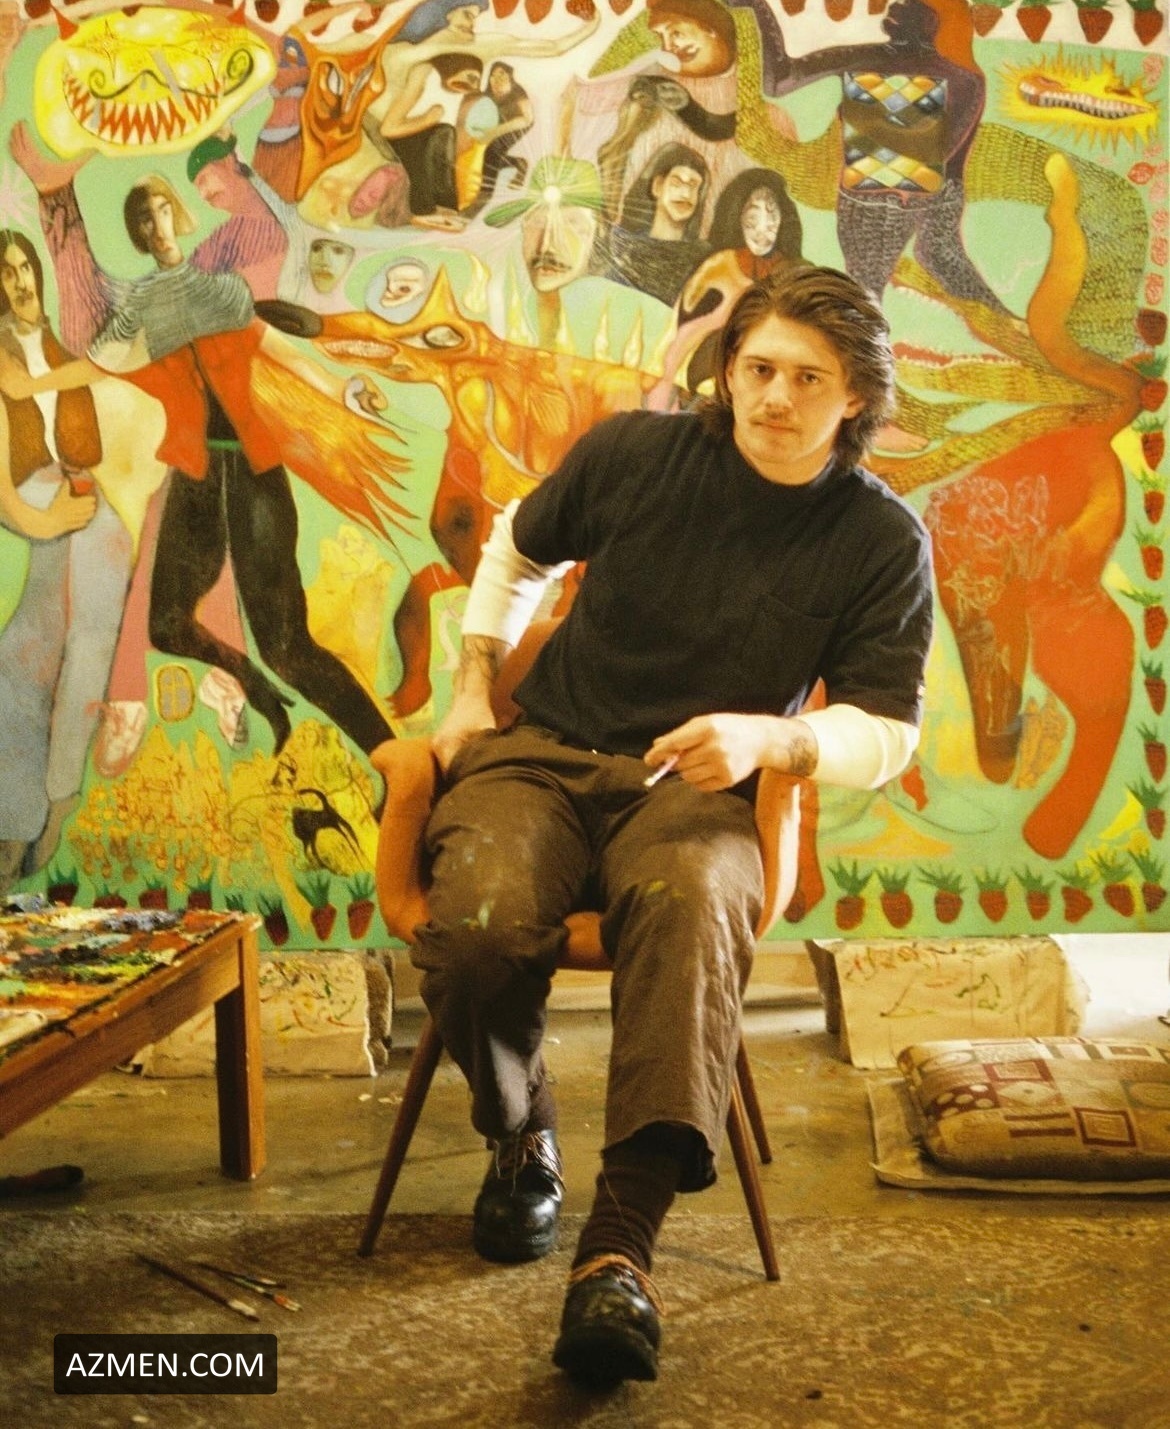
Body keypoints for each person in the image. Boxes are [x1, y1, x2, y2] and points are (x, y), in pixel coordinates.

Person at [410, 264, 933, 1386]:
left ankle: (618, 1255)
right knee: (476, 931)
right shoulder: (633, 454)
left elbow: (889, 731)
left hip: (697, 791)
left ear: (855, 397)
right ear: (727, 369)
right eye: (759, 368)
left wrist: (771, 738)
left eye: (808, 378)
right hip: (546, 755)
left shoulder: (878, 538)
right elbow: (517, 545)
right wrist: (470, 684)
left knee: (690, 911)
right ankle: (521, 1127)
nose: (775, 396)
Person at [0, 230, 131, 891]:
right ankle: (14, 821)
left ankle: (56, 803)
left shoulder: (62, 340)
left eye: (26, 267)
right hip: (32, 507)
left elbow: (104, 365)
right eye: (7, 272)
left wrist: (39, 380)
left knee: (90, 651)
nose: (21, 281)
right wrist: (42, 521)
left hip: (84, 499)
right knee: (23, 662)